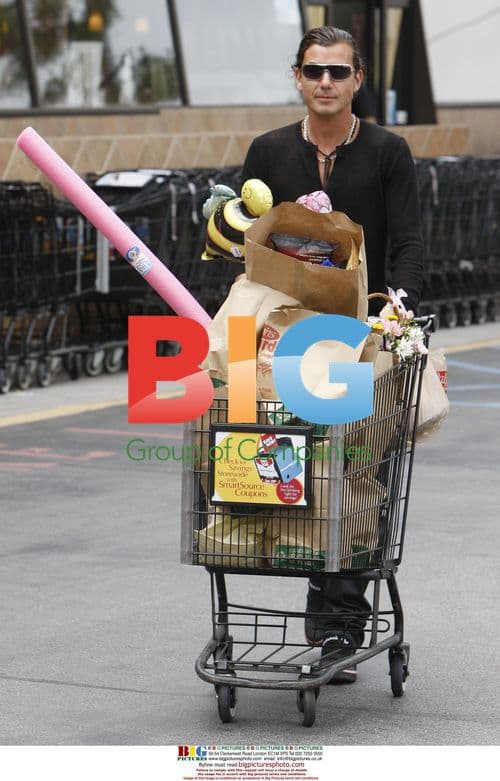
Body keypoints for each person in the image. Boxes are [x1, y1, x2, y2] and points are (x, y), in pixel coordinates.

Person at [241, 26, 424, 683]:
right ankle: (319, 621)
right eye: (314, 70)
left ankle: (339, 628)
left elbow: (407, 242)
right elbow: (246, 244)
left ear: (358, 79)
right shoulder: (267, 152)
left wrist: (393, 315)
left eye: (338, 72)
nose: (326, 81)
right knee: (284, 474)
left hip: (359, 344)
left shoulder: (387, 151)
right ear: (297, 76)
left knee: (352, 476)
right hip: (282, 343)